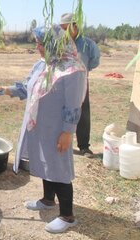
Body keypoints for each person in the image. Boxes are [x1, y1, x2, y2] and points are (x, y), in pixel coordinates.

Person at [0, 25, 87, 233]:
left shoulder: (72, 70)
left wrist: (68, 132)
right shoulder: (42, 65)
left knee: (59, 168)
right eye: (37, 42)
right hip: (39, 126)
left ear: (55, 44)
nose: (38, 47)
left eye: (42, 43)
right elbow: (26, 87)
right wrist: (6, 90)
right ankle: (48, 200)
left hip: (57, 129)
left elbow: (73, 105)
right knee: (45, 162)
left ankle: (67, 216)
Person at [60, 13, 100, 157]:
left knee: (82, 112)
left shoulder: (88, 44)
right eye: (62, 29)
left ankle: (84, 146)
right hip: (61, 81)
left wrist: (83, 70)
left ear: (75, 27)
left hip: (81, 82)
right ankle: (62, 140)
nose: (64, 32)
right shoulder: (60, 42)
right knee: (61, 110)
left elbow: (95, 61)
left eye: (66, 29)